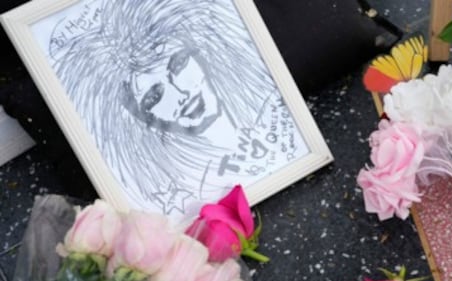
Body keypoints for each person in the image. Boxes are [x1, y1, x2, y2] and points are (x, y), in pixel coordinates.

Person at [51, 0, 303, 215]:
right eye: (154, 96)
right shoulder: (176, 193)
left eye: (179, 64)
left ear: (200, 52)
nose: (180, 94)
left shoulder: (276, 114)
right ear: (138, 114)